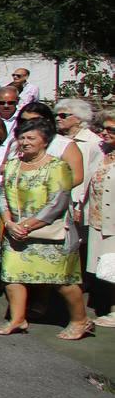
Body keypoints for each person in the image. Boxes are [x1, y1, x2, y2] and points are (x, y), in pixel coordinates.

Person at [0, 117, 90, 339]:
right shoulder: (13, 165)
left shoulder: (57, 167)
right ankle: (17, 319)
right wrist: (9, 223)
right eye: (22, 137)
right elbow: (3, 197)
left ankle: (80, 320)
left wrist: (27, 225)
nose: (25, 142)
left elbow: (58, 202)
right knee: (12, 276)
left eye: (31, 138)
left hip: (51, 234)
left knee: (63, 281)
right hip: (16, 232)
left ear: (45, 141)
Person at [85, 110, 115, 326]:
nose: (104, 133)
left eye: (111, 129)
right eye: (103, 128)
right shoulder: (103, 151)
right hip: (98, 218)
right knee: (106, 267)